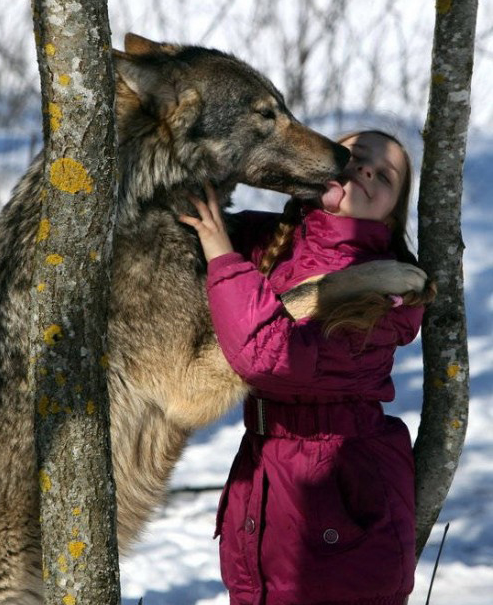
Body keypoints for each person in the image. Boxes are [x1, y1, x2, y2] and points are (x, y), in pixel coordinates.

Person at [180, 130, 433, 605]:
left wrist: (221, 255)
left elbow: (268, 359)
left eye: (384, 174)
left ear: (392, 212)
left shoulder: (392, 294)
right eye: (354, 157)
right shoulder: (269, 241)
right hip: (264, 477)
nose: (364, 169)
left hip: (339, 490)